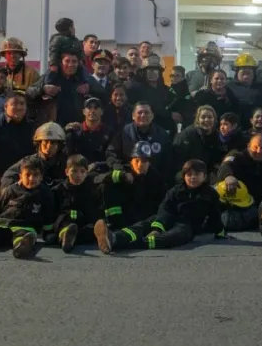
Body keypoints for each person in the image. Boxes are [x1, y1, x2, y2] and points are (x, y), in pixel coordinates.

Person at [94, 159, 226, 254]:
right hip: (165, 218)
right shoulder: (175, 190)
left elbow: (215, 214)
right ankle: (114, 237)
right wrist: (157, 226)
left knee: (168, 238)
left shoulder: (210, 194)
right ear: (184, 176)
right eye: (189, 175)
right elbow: (165, 209)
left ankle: (117, 243)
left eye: (197, 175)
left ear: (204, 176)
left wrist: (220, 231)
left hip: (186, 226)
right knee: (142, 226)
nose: (192, 178)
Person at [215, 134, 262, 231]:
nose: (259, 151)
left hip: (257, 205)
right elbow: (225, 166)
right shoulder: (237, 156)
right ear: (248, 146)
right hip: (234, 204)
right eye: (255, 147)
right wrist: (228, 176)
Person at [96, 140, 167, 230]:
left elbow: (163, 201)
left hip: (144, 221)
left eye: (144, 161)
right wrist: (122, 176)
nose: (140, 165)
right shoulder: (124, 171)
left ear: (149, 163)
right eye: (137, 160)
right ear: (131, 161)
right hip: (123, 217)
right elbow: (98, 180)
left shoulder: (155, 178)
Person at [106, 102, 174, 184]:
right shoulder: (124, 132)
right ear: (133, 116)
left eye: (146, 112)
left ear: (152, 116)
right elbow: (111, 154)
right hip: (129, 180)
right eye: (139, 112)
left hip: (154, 182)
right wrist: (122, 172)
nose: (143, 115)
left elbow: (169, 161)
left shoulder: (162, 135)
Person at [53, 155, 103, 252]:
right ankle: (65, 236)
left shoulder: (91, 190)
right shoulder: (59, 190)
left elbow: (93, 212)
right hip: (64, 223)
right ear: (67, 172)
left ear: (87, 172)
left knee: (92, 230)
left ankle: (70, 239)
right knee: (64, 223)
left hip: (83, 224)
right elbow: (53, 213)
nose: (78, 175)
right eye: (74, 171)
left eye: (82, 171)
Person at [27, 51, 89, 127]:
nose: (70, 64)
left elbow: (102, 92)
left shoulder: (83, 79)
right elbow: (29, 92)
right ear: (60, 63)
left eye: (74, 61)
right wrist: (43, 89)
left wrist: (89, 87)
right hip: (53, 127)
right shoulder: (50, 77)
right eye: (67, 61)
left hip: (76, 127)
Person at [0, 122, 68, 188]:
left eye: (53, 143)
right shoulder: (29, 161)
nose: (48, 146)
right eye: (45, 142)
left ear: (59, 145)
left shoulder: (65, 162)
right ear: (39, 144)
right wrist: (22, 187)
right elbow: (7, 178)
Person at [64, 97, 113, 166]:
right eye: (89, 108)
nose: (92, 111)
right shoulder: (74, 132)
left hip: (101, 172)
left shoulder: (109, 133)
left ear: (102, 112)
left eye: (96, 108)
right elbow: (68, 157)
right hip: (78, 173)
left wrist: (97, 165)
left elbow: (112, 158)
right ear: (83, 111)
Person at [173, 105, 223, 171]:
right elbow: (176, 158)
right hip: (189, 173)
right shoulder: (187, 135)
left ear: (214, 119)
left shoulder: (218, 135)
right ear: (197, 119)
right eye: (203, 117)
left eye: (210, 117)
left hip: (208, 173)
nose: (206, 120)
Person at [46, 17, 89, 86]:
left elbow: (81, 51)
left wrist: (82, 60)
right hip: (61, 65)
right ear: (69, 28)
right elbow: (54, 51)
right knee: (52, 74)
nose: (74, 29)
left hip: (76, 64)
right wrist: (53, 64)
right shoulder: (57, 38)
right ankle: (48, 84)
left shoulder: (75, 40)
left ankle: (83, 84)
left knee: (83, 72)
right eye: (73, 27)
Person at [227, 53, 261, 124]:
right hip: (235, 127)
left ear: (254, 72)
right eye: (243, 70)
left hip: (257, 128)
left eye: (249, 70)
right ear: (236, 72)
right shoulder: (228, 87)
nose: (246, 71)